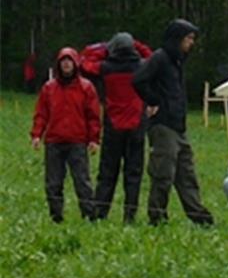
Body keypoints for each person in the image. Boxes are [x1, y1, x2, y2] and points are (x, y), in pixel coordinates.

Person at [132, 19, 214, 226]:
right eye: (188, 38)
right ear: (177, 38)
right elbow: (138, 80)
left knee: (187, 174)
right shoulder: (159, 58)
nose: (191, 43)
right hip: (163, 125)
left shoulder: (178, 61)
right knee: (163, 173)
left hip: (179, 126)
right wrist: (153, 101)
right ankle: (157, 217)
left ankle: (199, 217)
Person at [80, 32, 152, 222]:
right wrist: (137, 43)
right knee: (133, 174)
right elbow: (152, 56)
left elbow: (84, 61)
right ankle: (129, 215)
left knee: (107, 172)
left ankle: (100, 213)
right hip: (137, 125)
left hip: (113, 125)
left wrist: (104, 46)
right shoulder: (143, 66)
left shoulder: (105, 68)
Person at [30, 47, 101, 222]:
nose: (67, 64)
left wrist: (94, 139)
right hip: (54, 141)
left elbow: (93, 116)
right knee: (53, 183)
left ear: (75, 64)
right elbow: (41, 114)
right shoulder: (49, 88)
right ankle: (56, 217)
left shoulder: (86, 87)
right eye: (63, 61)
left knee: (82, 181)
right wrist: (37, 135)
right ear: (58, 65)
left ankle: (89, 216)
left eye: (70, 61)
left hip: (77, 141)